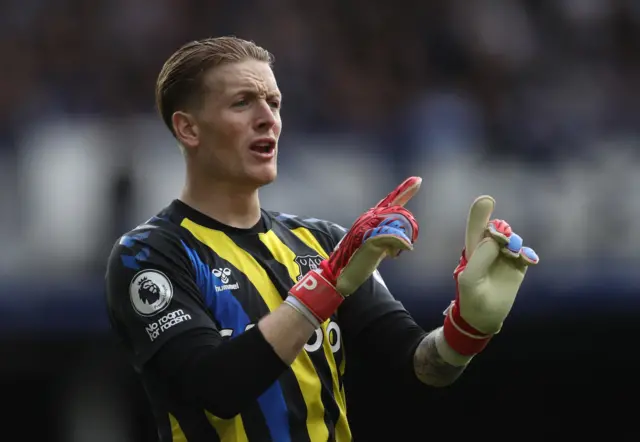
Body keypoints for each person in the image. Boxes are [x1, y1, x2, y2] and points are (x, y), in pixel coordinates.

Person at [105, 36, 539, 442]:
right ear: (189, 129)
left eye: (274, 103)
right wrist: (326, 287)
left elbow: (421, 366)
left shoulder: (321, 242)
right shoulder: (149, 255)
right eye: (242, 103)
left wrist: (467, 329)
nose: (267, 118)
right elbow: (217, 389)